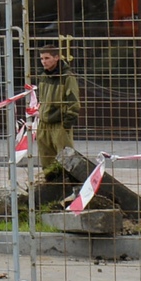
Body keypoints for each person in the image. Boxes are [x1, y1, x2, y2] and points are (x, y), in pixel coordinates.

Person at [33, 43, 80, 194]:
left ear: (56, 58)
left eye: (47, 58)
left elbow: (74, 102)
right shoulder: (43, 76)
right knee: (46, 160)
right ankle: (52, 191)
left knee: (66, 160)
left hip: (59, 123)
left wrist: (66, 124)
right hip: (44, 123)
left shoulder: (67, 77)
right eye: (41, 58)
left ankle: (71, 190)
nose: (43, 62)